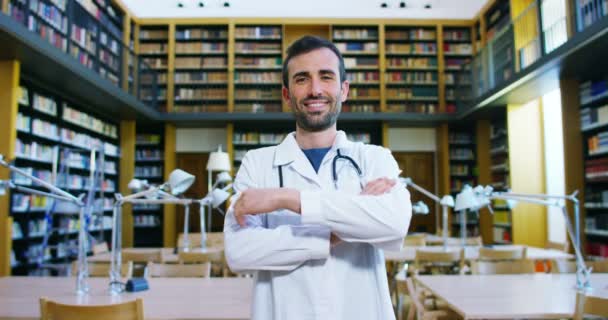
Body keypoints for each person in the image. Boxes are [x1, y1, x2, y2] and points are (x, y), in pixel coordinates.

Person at [224, 35, 412, 320]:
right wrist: (337, 230)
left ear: (344, 89)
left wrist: (285, 198)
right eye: (302, 79)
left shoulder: (374, 158)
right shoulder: (257, 163)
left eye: (326, 77)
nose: (315, 90)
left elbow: (394, 223)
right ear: (287, 95)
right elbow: (239, 252)